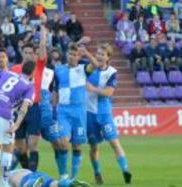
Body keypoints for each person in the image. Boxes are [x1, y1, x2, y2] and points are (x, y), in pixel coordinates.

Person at [0, 61, 36, 187]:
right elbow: (24, 107)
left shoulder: (6, 73)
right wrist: (17, 124)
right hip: (4, 115)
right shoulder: (29, 86)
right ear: (33, 73)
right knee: (8, 147)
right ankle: (3, 181)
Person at [86, 43, 132, 185]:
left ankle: (125, 171)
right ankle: (97, 172)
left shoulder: (112, 72)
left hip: (104, 113)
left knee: (114, 142)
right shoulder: (88, 68)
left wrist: (93, 89)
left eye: (102, 54)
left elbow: (108, 92)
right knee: (94, 147)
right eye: (98, 53)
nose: (99, 56)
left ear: (108, 58)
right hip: (89, 113)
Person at [53, 44, 98, 180]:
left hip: (78, 112)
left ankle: (73, 178)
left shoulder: (83, 69)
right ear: (67, 55)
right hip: (63, 111)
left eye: (75, 55)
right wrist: (54, 109)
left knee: (77, 146)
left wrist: (87, 53)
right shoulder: (58, 70)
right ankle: (63, 175)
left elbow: (95, 65)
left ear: (79, 56)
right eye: (70, 54)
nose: (72, 57)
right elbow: (56, 91)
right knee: (62, 142)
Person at [10, 16, 48, 172]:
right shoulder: (15, 70)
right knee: (20, 148)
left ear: (34, 54)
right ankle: (27, 173)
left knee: (33, 145)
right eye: (25, 52)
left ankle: (32, 176)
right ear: (22, 53)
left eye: (31, 52)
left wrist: (43, 31)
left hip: (34, 108)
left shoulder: (38, 66)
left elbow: (43, 47)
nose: (28, 55)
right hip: (18, 109)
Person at [7, 169, 90, 187]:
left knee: (20, 183)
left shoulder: (8, 177)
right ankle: (68, 183)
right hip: (39, 175)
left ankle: (33, 185)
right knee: (51, 183)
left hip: (23, 177)